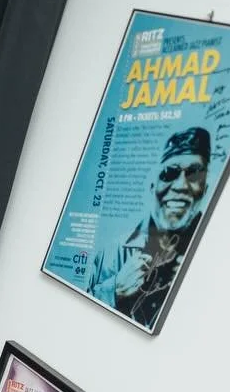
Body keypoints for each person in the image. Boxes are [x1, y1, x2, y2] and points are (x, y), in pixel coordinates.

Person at [86, 126, 210, 329]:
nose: (181, 185)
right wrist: (114, 289)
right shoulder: (110, 253)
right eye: (169, 173)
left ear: (204, 190)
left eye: (194, 173)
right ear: (153, 186)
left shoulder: (208, 257)